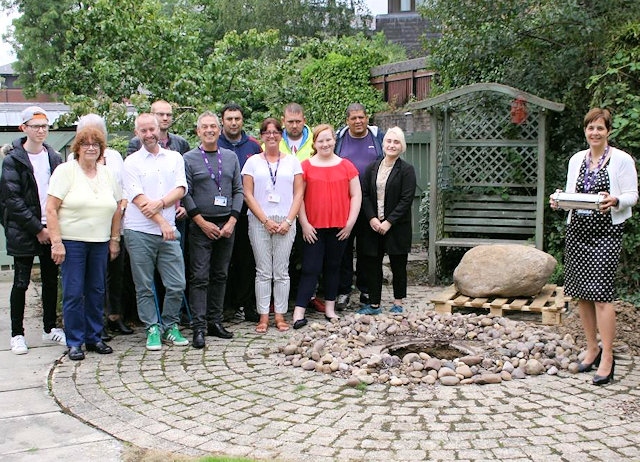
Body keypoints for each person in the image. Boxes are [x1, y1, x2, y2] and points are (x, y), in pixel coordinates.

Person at [550, 108, 638, 385]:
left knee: (602, 295)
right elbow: (571, 194)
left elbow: (632, 195)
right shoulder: (577, 159)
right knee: (581, 294)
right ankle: (592, 349)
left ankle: (608, 357)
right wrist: (559, 201)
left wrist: (616, 201)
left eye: (600, 128)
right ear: (585, 131)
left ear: (608, 131)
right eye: (590, 128)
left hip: (606, 232)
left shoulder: (621, 159)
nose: (595, 133)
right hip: (578, 230)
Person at [46, 127, 122, 360]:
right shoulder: (65, 171)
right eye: (86, 144)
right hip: (72, 242)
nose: (91, 148)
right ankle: (75, 341)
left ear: (101, 149)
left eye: (96, 144)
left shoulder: (107, 173)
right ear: (77, 148)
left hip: (99, 242)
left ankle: (94, 337)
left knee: (97, 290)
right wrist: (56, 242)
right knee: (74, 292)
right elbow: (50, 208)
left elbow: (117, 207)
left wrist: (114, 239)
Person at [0, 106, 67, 355]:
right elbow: (12, 199)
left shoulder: (54, 157)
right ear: (24, 128)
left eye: (44, 126)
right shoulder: (13, 159)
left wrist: (52, 228)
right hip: (24, 230)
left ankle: (50, 327)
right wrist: (38, 229)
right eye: (36, 126)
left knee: (50, 280)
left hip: (51, 228)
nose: (41, 130)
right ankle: (17, 333)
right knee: (21, 282)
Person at [123, 113, 190, 351]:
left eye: (152, 129)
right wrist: (162, 222)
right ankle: (152, 327)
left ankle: (170, 324)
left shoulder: (174, 158)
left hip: (168, 231)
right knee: (144, 284)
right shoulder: (130, 163)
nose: (149, 134)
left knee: (176, 283)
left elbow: (181, 188)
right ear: (137, 134)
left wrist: (161, 204)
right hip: (140, 231)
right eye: (143, 131)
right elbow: (139, 199)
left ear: (159, 129)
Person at [291, 124, 361, 329]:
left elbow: (356, 195)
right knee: (310, 269)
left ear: (334, 140)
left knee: (333, 267)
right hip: (313, 228)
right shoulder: (305, 166)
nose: (325, 144)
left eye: (328, 139)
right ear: (314, 143)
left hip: (340, 227)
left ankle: (330, 309)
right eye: (320, 140)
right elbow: (299, 197)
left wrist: (350, 223)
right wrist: (303, 223)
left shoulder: (347, 166)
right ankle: (299, 311)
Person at [183, 111, 243, 348]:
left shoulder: (230, 157)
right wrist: (200, 221)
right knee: (199, 277)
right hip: (201, 225)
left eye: (213, 127)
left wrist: (232, 221)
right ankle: (198, 326)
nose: (209, 130)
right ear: (198, 131)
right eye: (204, 127)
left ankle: (214, 321)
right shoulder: (188, 158)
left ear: (219, 130)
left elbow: (238, 190)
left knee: (220, 274)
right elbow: (185, 192)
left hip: (227, 224)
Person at [73, 114, 134, 338]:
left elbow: (124, 185)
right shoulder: (73, 162)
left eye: (96, 135)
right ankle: (95, 321)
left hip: (117, 223)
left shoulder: (115, 157)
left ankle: (115, 316)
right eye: (87, 135)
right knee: (93, 277)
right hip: (89, 229)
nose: (92, 140)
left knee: (116, 274)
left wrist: (124, 201)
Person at [242, 118, 304, 333]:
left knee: (282, 271)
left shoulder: (293, 162)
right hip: (260, 221)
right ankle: (263, 316)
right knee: (263, 271)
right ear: (261, 135)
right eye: (266, 132)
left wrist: (288, 221)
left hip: (286, 221)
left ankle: (280, 315)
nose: (271, 136)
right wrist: (265, 220)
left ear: (281, 135)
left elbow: (299, 193)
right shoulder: (252, 162)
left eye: (275, 132)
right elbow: (247, 194)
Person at [359, 127, 416, 315]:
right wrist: (372, 219)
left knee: (398, 264)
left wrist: (389, 222)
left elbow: (406, 199)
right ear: (383, 144)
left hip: (396, 227)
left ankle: (398, 302)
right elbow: (365, 195)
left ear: (402, 147)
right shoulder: (372, 168)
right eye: (389, 141)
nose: (392, 145)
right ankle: (374, 304)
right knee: (372, 265)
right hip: (373, 226)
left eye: (396, 142)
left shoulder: (407, 170)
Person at [335, 103, 385, 310]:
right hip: (343, 203)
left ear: (367, 118)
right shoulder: (339, 139)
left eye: (361, 117)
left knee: (367, 249)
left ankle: (365, 288)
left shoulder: (377, 138)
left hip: (369, 204)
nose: (358, 121)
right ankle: (344, 291)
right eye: (353, 118)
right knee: (343, 249)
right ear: (347, 120)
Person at [218, 103, 263, 323]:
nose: (234, 123)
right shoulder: (214, 143)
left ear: (242, 120)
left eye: (237, 118)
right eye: (229, 119)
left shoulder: (253, 146)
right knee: (224, 262)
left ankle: (248, 305)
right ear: (222, 121)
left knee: (247, 261)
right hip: (221, 214)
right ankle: (226, 306)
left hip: (248, 214)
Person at [280, 103, 324, 312]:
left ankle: (310, 295)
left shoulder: (314, 142)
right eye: (290, 122)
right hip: (281, 209)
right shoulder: (273, 140)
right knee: (282, 255)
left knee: (309, 255)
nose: (295, 125)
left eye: (298, 121)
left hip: (311, 207)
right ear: (283, 121)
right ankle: (279, 298)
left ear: (304, 120)